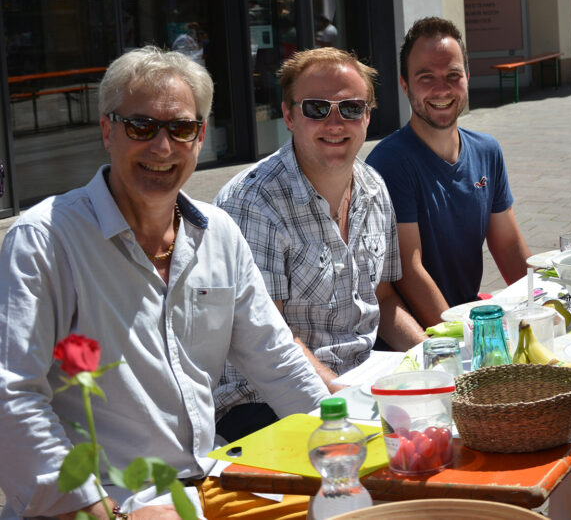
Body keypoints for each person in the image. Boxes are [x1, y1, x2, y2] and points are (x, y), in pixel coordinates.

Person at [0, 46, 329, 518]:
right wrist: (99, 510)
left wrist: (346, 441)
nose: (162, 147)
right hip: (108, 499)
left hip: (203, 487)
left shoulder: (219, 234)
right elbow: (12, 396)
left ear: (199, 138)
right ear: (107, 130)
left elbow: (276, 362)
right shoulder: (45, 240)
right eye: (141, 127)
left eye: (180, 128)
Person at [213, 48, 426, 442]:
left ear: (367, 116)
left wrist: (432, 353)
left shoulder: (374, 187)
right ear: (289, 116)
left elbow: (384, 296)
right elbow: (268, 337)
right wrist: (344, 400)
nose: (335, 122)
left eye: (350, 108)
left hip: (359, 379)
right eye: (316, 108)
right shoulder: (253, 201)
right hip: (260, 403)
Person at [366, 17, 531, 328]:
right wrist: (459, 338)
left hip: (468, 315)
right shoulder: (389, 162)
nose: (441, 89)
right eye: (426, 77)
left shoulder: (487, 151)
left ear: (467, 78)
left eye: (452, 75)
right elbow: (409, 270)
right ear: (404, 85)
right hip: (421, 339)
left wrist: (540, 307)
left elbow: (507, 245)